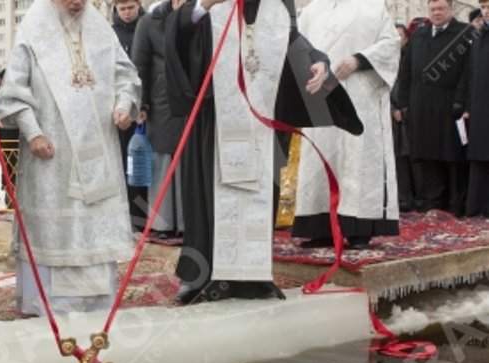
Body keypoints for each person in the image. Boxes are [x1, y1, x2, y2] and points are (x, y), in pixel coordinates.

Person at [164, 0, 363, 302]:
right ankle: (198, 277)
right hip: (215, 121)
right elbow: (179, 32)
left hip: (261, 122)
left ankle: (255, 277)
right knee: (206, 201)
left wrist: (317, 60)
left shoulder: (277, 5)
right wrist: (203, 6)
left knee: (259, 199)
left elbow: (293, 39)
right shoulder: (211, 4)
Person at [0, 0, 141, 315]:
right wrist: (33, 133)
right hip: (52, 157)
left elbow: (126, 76)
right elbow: (12, 93)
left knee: (92, 230)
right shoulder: (34, 27)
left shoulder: (99, 27)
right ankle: (48, 304)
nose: (77, 3)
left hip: (98, 151)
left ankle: (95, 300)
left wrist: (124, 105)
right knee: (55, 232)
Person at [294, 0, 401, 249]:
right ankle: (320, 227)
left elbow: (391, 44)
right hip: (320, 95)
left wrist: (359, 59)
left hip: (360, 92)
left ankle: (358, 230)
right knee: (319, 159)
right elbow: (296, 46)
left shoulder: (374, 7)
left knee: (357, 161)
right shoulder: (311, 11)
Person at [399, 0, 473, 216]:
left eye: (441, 9)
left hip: (450, 105)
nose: (437, 13)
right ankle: (433, 202)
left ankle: (456, 204)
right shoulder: (419, 35)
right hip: (420, 105)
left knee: (453, 156)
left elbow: (468, 72)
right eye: (433, 9)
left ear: (451, 9)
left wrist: (461, 100)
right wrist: (404, 103)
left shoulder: (464, 34)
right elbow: (406, 71)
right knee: (428, 155)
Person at [131, 0, 186, 239]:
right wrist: (140, 103)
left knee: (188, 164)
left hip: (192, 101)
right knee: (162, 162)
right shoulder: (149, 22)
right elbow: (139, 66)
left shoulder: (202, 17)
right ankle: (162, 223)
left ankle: (188, 223)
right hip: (161, 102)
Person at [112, 0, 147, 231]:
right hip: (119, 110)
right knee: (123, 163)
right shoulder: (110, 34)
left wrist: (144, 106)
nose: (126, 13)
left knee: (142, 165)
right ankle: (123, 216)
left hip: (144, 111)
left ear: (139, 5)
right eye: (122, 9)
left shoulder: (149, 26)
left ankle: (141, 216)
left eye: (130, 8)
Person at [464, 0, 489, 217]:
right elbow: (471, 73)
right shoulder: (479, 36)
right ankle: (478, 206)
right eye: (484, 7)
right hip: (481, 104)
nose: (486, 11)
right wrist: (468, 105)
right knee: (480, 153)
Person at [391, 24, 415, 212]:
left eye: (401, 35)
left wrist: (404, 108)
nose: (398, 39)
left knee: (410, 156)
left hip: (409, 113)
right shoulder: (386, 60)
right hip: (391, 115)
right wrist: (392, 108)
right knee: (396, 158)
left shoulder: (411, 57)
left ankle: (411, 197)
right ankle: (400, 197)